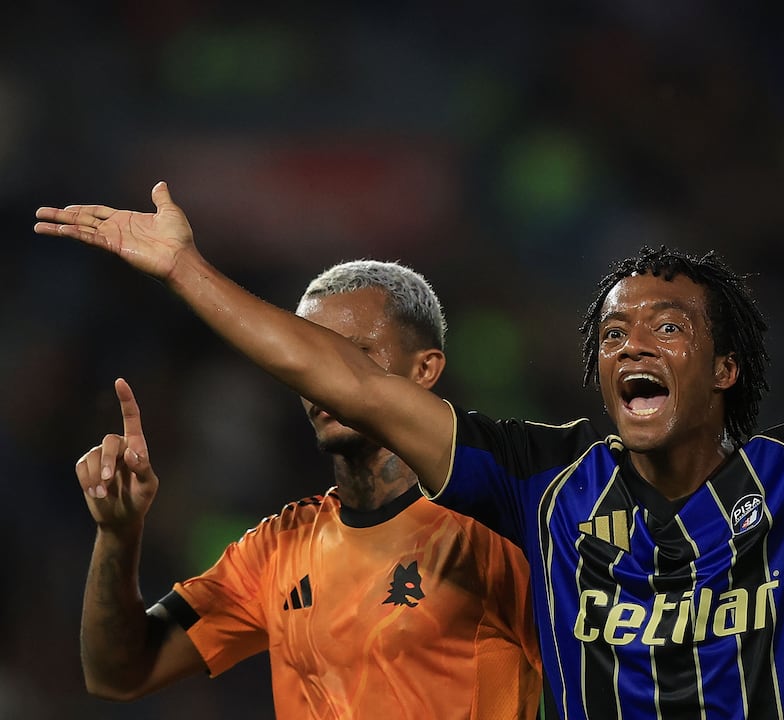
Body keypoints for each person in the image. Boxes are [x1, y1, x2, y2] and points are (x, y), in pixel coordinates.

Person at [38, 104, 784, 718]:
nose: (629, 343)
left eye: (664, 328)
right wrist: (189, 271)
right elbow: (345, 381)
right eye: (609, 333)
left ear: (724, 369)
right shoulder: (543, 486)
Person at [72, 261, 542, 719]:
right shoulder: (277, 548)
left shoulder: (494, 530)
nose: (322, 380)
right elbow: (118, 674)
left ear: (424, 369)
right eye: (309, 359)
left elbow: (582, 677)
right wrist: (118, 533)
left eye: (352, 355)